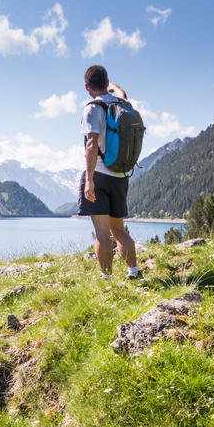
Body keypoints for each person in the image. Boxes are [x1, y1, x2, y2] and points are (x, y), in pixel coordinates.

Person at [78, 65, 142, 280]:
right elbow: (121, 92)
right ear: (106, 83)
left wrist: (89, 180)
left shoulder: (92, 108)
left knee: (102, 234)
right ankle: (134, 272)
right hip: (121, 175)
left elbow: (91, 144)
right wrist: (113, 86)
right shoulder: (123, 103)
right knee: (119, 230)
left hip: (100, 174)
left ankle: (107, 279)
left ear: (87, 87)